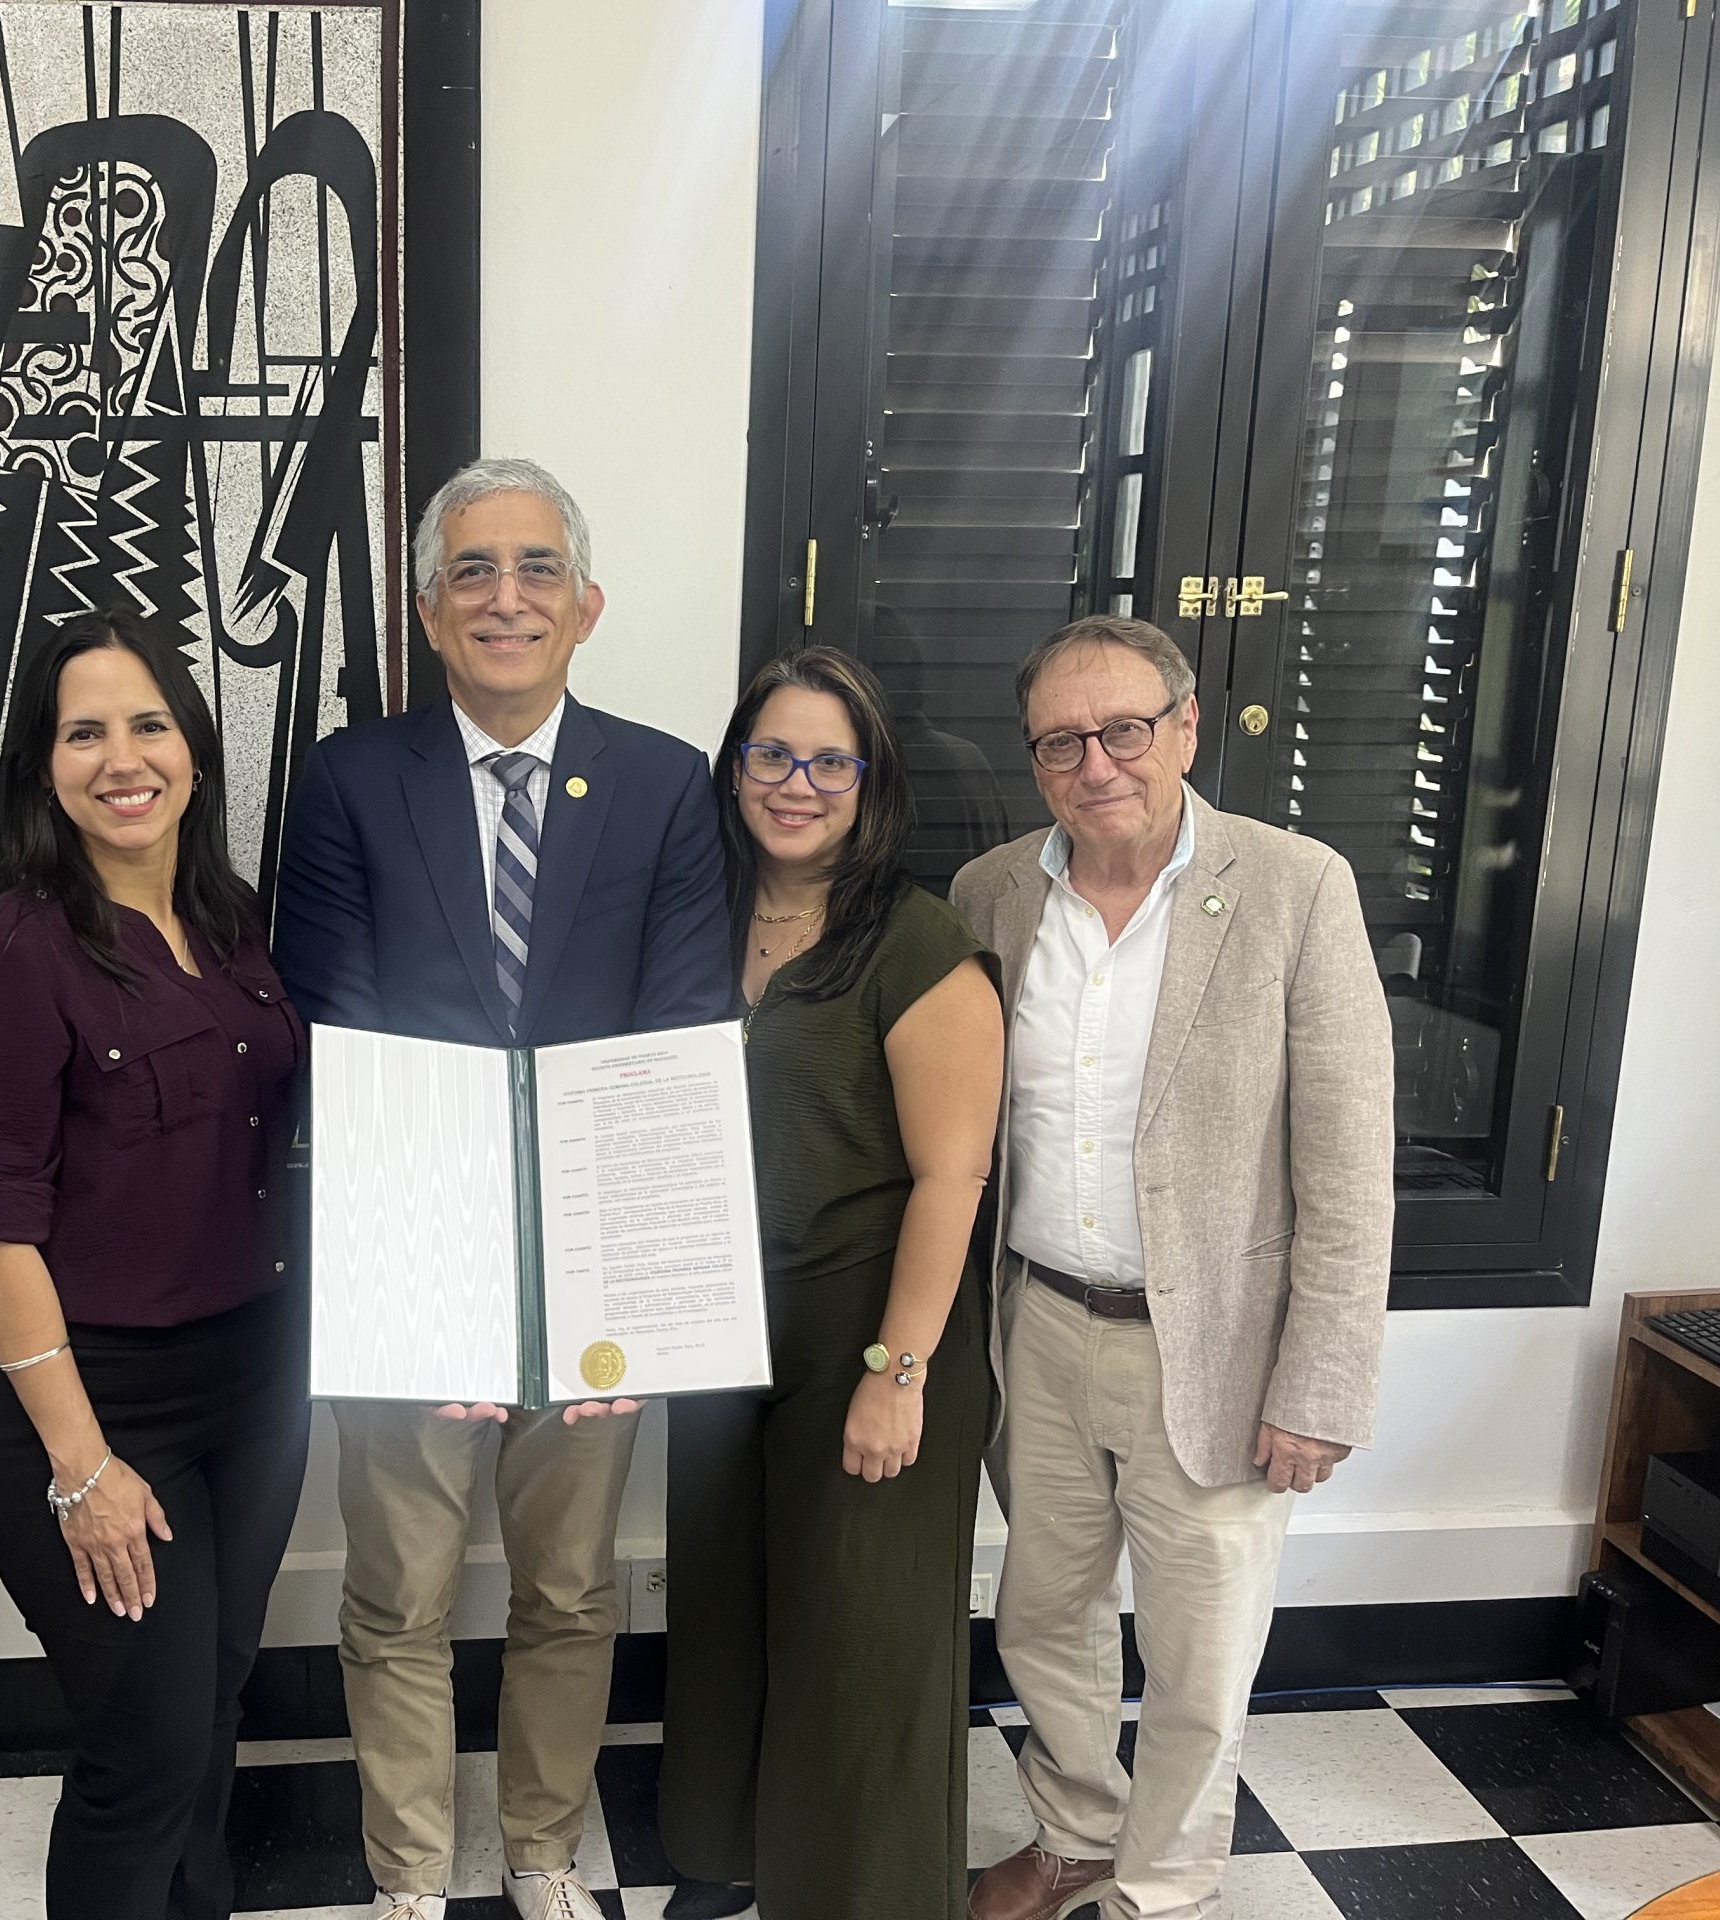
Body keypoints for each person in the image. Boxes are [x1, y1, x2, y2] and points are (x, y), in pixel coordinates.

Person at [274, 457, 733, 1920]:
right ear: (426, 609)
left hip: (591, 1272)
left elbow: (675, 1033)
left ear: (587, 605)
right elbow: (335, 1020)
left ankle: (541, 1846)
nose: (506, 596)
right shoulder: (352, 777)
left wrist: (629, 1305)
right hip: (416, 1248)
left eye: (536, 569)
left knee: (574, 1590)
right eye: (472, 570)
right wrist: (440, 1286)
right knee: (399, 1593)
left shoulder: (664, 780)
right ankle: (409, 1867)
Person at [950, 615, 1393, 1920]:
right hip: (1036, 1325)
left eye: (1125, 730)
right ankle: (1076, 1837)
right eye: (1061, 741)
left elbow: (1349, 1169)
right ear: (1033, 759)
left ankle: (1163, 1886)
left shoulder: (1295, 887)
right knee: (1046, 1617)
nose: (1097, 762)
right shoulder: (992, 895)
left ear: (1186, 728)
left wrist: (1321, 1382)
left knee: (1201, 1658)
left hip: (1217, 1347)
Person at [0, 608, 310, 1920]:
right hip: (92, 1403)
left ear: (196, 750)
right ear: (43, 768)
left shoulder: (234, 921)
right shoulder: (16, 952)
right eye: (83, 732)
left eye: (148, 723)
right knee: (142, 1743)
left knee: (210, 1702)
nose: (121, 755)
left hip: (254, 1388)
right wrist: (81, 1470)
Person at [658, 647, 1003, 1920]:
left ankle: (859, 1892)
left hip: (870, 1325)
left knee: (859, 1631)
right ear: (734, 767)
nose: (794, 784)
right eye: (770, 754)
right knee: (728, 1599)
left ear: (871, 784)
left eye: (827, 761)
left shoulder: (920, 950)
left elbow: (950, 1182)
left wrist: (897, 1372)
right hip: (718, 1322)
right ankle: (728, 1849)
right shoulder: (689, 920)